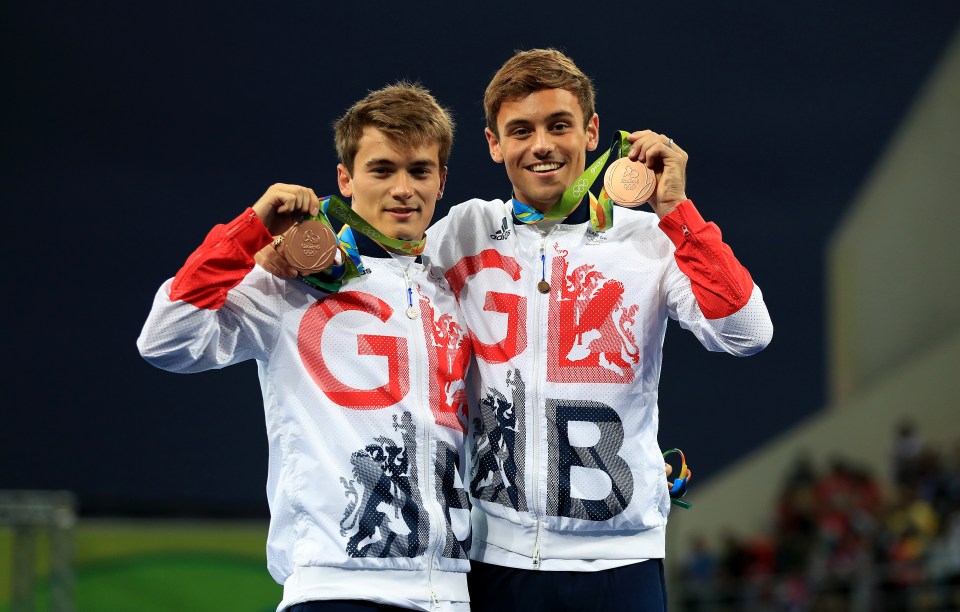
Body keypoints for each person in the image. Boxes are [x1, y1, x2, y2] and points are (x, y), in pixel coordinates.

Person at [421, 49, 773, 611]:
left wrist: (678, 210)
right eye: (520, 130)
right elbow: (385, 289)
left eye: (558, 125)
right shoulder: (465, 230)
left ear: (591, 132)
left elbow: (747, 331)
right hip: (496, 560)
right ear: (494, 144)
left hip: (620, 562)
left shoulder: (651, 238)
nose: (541, 145)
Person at [137, 83, 473, 612]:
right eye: (382, 170)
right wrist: (249, 233)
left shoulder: (456, 288)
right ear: (345, 178)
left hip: (452, 592)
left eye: (419, 171)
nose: (403, 189)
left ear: (442, 180)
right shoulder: (288, 283)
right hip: (334, 587)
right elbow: (165, 338)